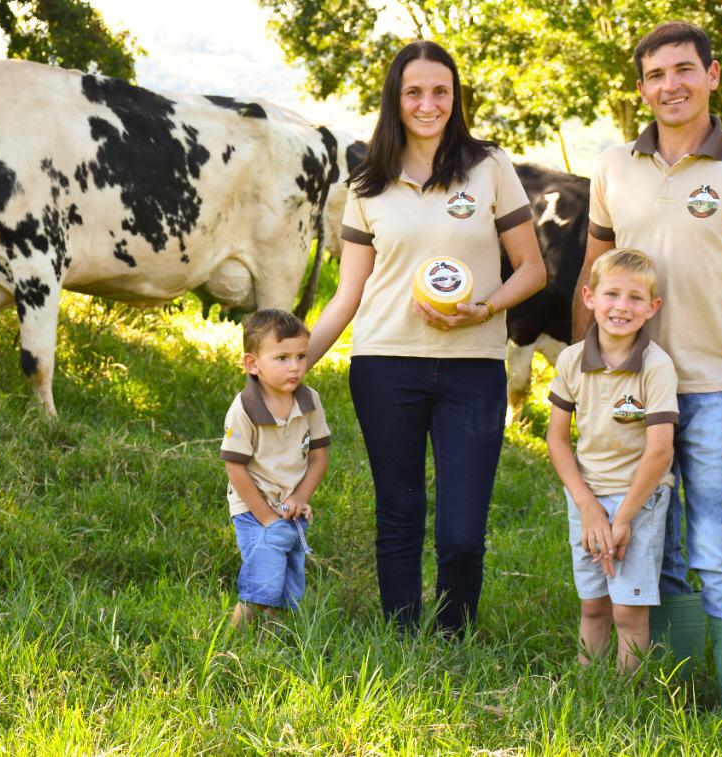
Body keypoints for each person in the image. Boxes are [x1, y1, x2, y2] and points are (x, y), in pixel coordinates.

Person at [573, 21, 722, 703]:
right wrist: (583, 373)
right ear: (641, 88)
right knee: (651, 548)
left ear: (713, 74)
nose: (669, 85)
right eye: (655, 75)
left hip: (720, 388)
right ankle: (668, 689)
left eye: (683, 70)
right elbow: (594, 272)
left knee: (717, 550)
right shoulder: (613, 166)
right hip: (632, 392)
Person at [308, 40, 546, 634]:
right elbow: (347, 295)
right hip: (386, 365)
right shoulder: (367, 186)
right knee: (400, 512)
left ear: (455, 97)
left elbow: (533, 269)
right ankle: (402, 634)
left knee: (463, 530)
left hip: (474, 367)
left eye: (441, 90)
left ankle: (453, 634)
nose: (428, 103)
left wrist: (483, 309)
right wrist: (291, 366)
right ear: (395, 98)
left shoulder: (489, 167)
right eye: (414, 91)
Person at [548, 248, 677, 672]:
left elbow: (660, 450)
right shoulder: (570, 360)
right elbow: (557, 441)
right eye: (612, 294)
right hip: (585, 495)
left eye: (635, 298)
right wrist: (587, 506)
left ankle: (628, 698)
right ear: (589, 297)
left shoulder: (656, 367)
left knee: (627, 611)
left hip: (639, 499)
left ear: (652, 307)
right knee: (593, 606)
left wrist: (621, 518)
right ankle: (590, 693)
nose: (622, 307)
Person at [221, 309, 331, 627]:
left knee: (288, 575)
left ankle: (270, 636)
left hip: (292, 509)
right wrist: (266, 517)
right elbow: (235, 468)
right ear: (252, 364)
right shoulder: (245, 408)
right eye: (282, 358)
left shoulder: (309, 401)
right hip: (253, 507)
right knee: (265, 574)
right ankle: (236, 633)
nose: (295, 366)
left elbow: (320, 454)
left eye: (301, 356)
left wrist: (300, 496)